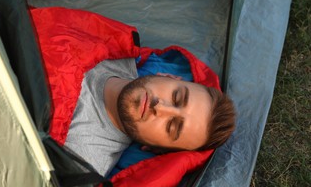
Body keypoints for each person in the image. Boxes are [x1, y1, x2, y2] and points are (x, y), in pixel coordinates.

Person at [64, 58, 236, 177]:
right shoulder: (114, 46)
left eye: (171, 126)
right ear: (168, 76)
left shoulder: (81, 162)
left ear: (155, 149)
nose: (160, 107)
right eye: (176, 97)